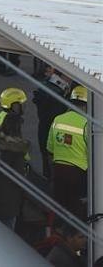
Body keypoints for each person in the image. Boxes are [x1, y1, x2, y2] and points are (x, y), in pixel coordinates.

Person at [0, 87, 31, 229]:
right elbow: (13, 148)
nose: (23, 107)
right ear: (14, 105)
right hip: (9, 176)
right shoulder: (10, 122)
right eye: (21, 103)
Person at [47, 85, 90, 220]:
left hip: (58, 171)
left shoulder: (58, 119)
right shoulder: (87, 123)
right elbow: (94, 153)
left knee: (60, 208)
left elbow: (49, 149)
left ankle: (60, 235)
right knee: (78, 210)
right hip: (79, 174)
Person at [34, 67, 72, 179]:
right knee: (54, 171)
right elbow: (55, 117)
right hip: (53, 136)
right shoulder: (56, 92)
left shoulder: (50, 87)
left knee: (49, 169)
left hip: (46, 132)